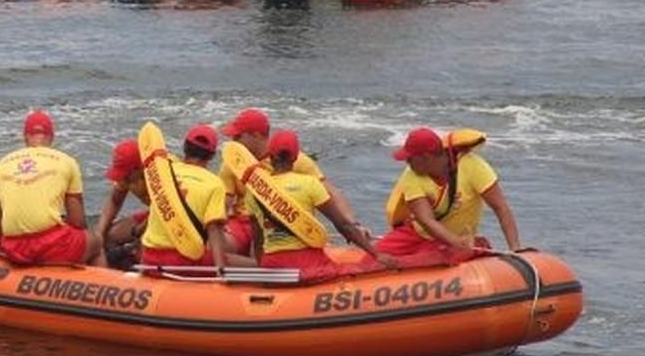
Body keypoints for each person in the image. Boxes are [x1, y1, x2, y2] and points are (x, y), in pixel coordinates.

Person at [248, 130, 393, 282]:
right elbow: (343, 226)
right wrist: (377, 254)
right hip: (306, 263)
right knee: (359, 272)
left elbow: (258, 239)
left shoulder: (255, 192)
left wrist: (264, 272)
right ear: (296, 157)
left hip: (273, 263)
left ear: (269, 156)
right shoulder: (310, 184)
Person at [218, 107, 364, 258]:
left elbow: (331, 192)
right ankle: (256, 266)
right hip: (245, 223)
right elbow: (223, 202)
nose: (232, 142)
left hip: (285, 223)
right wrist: (217, 229)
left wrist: (354, 224)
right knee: (216, 247)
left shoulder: (295, 160)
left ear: (255, 135)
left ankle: (259, 265)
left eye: (237, 137)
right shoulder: (234, 163)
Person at [376, 127, 522, 267]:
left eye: (410, 158)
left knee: (430, 261)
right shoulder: (411, 176)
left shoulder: (472, 165)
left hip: (458, 239)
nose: (407, 162)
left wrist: (515, 249)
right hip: (419, 234)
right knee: (374, 257)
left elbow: (500, 207)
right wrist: (455, 242)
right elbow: (426, 220)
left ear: (425, 158)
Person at [0, 110, 104, 266]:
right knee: (96, 242)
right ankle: (105, 286)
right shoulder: (67, 161)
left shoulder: (1, 165)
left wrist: (3, 247)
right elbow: (78, 222)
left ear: (25, 137)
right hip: (51, 245)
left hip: (14, 248)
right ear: (52, 137)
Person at [138, 124, 250, 271]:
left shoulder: (163, 173)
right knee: (249, 265)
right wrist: (220, 271)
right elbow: (214, 229)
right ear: (211, 155)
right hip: (184, 261)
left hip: (149, 258)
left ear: (184, 148)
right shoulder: (214, 184)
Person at [94, 138, 150, 270]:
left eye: (127, 175)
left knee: (143, 249)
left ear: (139, 168)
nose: (123, 179)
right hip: (152, 214)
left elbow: (164, 212)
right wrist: (99, 233)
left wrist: (138, 231)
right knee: (111, 235)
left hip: (169, 216)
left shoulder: (156, 177)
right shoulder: (126, 177)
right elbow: (114, 201)